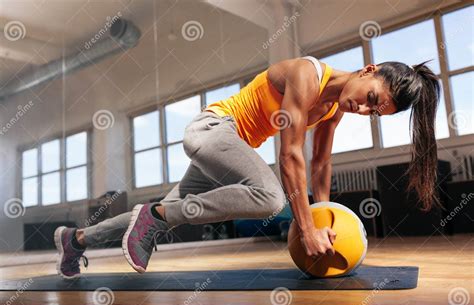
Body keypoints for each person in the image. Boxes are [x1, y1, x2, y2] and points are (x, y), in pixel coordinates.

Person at [54, 56, 441, 279]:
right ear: (367, 70)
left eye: (375, 111)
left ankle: (75, 241)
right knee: (271, 197)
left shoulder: (332, 111)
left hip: (227, 152)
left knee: (163, 216)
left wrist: (326, 220)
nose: (365, 108)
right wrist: (306, 230)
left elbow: (321, 163)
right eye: (372, 98)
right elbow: (290, 157)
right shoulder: (308, 75)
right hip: (213, 130)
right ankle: (155, 217)